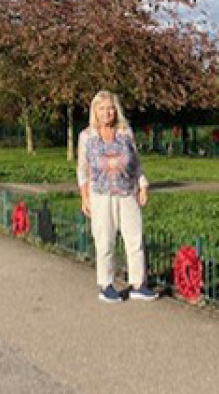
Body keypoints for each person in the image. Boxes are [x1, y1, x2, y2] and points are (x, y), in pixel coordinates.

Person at [77, 90, 158, 303]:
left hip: (126, 191)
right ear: (95, 111)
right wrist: (84, 196)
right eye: (102, 108)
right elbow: (82, 170)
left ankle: (138, 283)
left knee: (134, 237)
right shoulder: (87, 136)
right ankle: (106, 284)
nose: (107, 113)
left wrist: (143, 185)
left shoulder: (125, 132)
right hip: (101, 194)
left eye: (111, 108)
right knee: (105, 239)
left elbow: (136, 163)